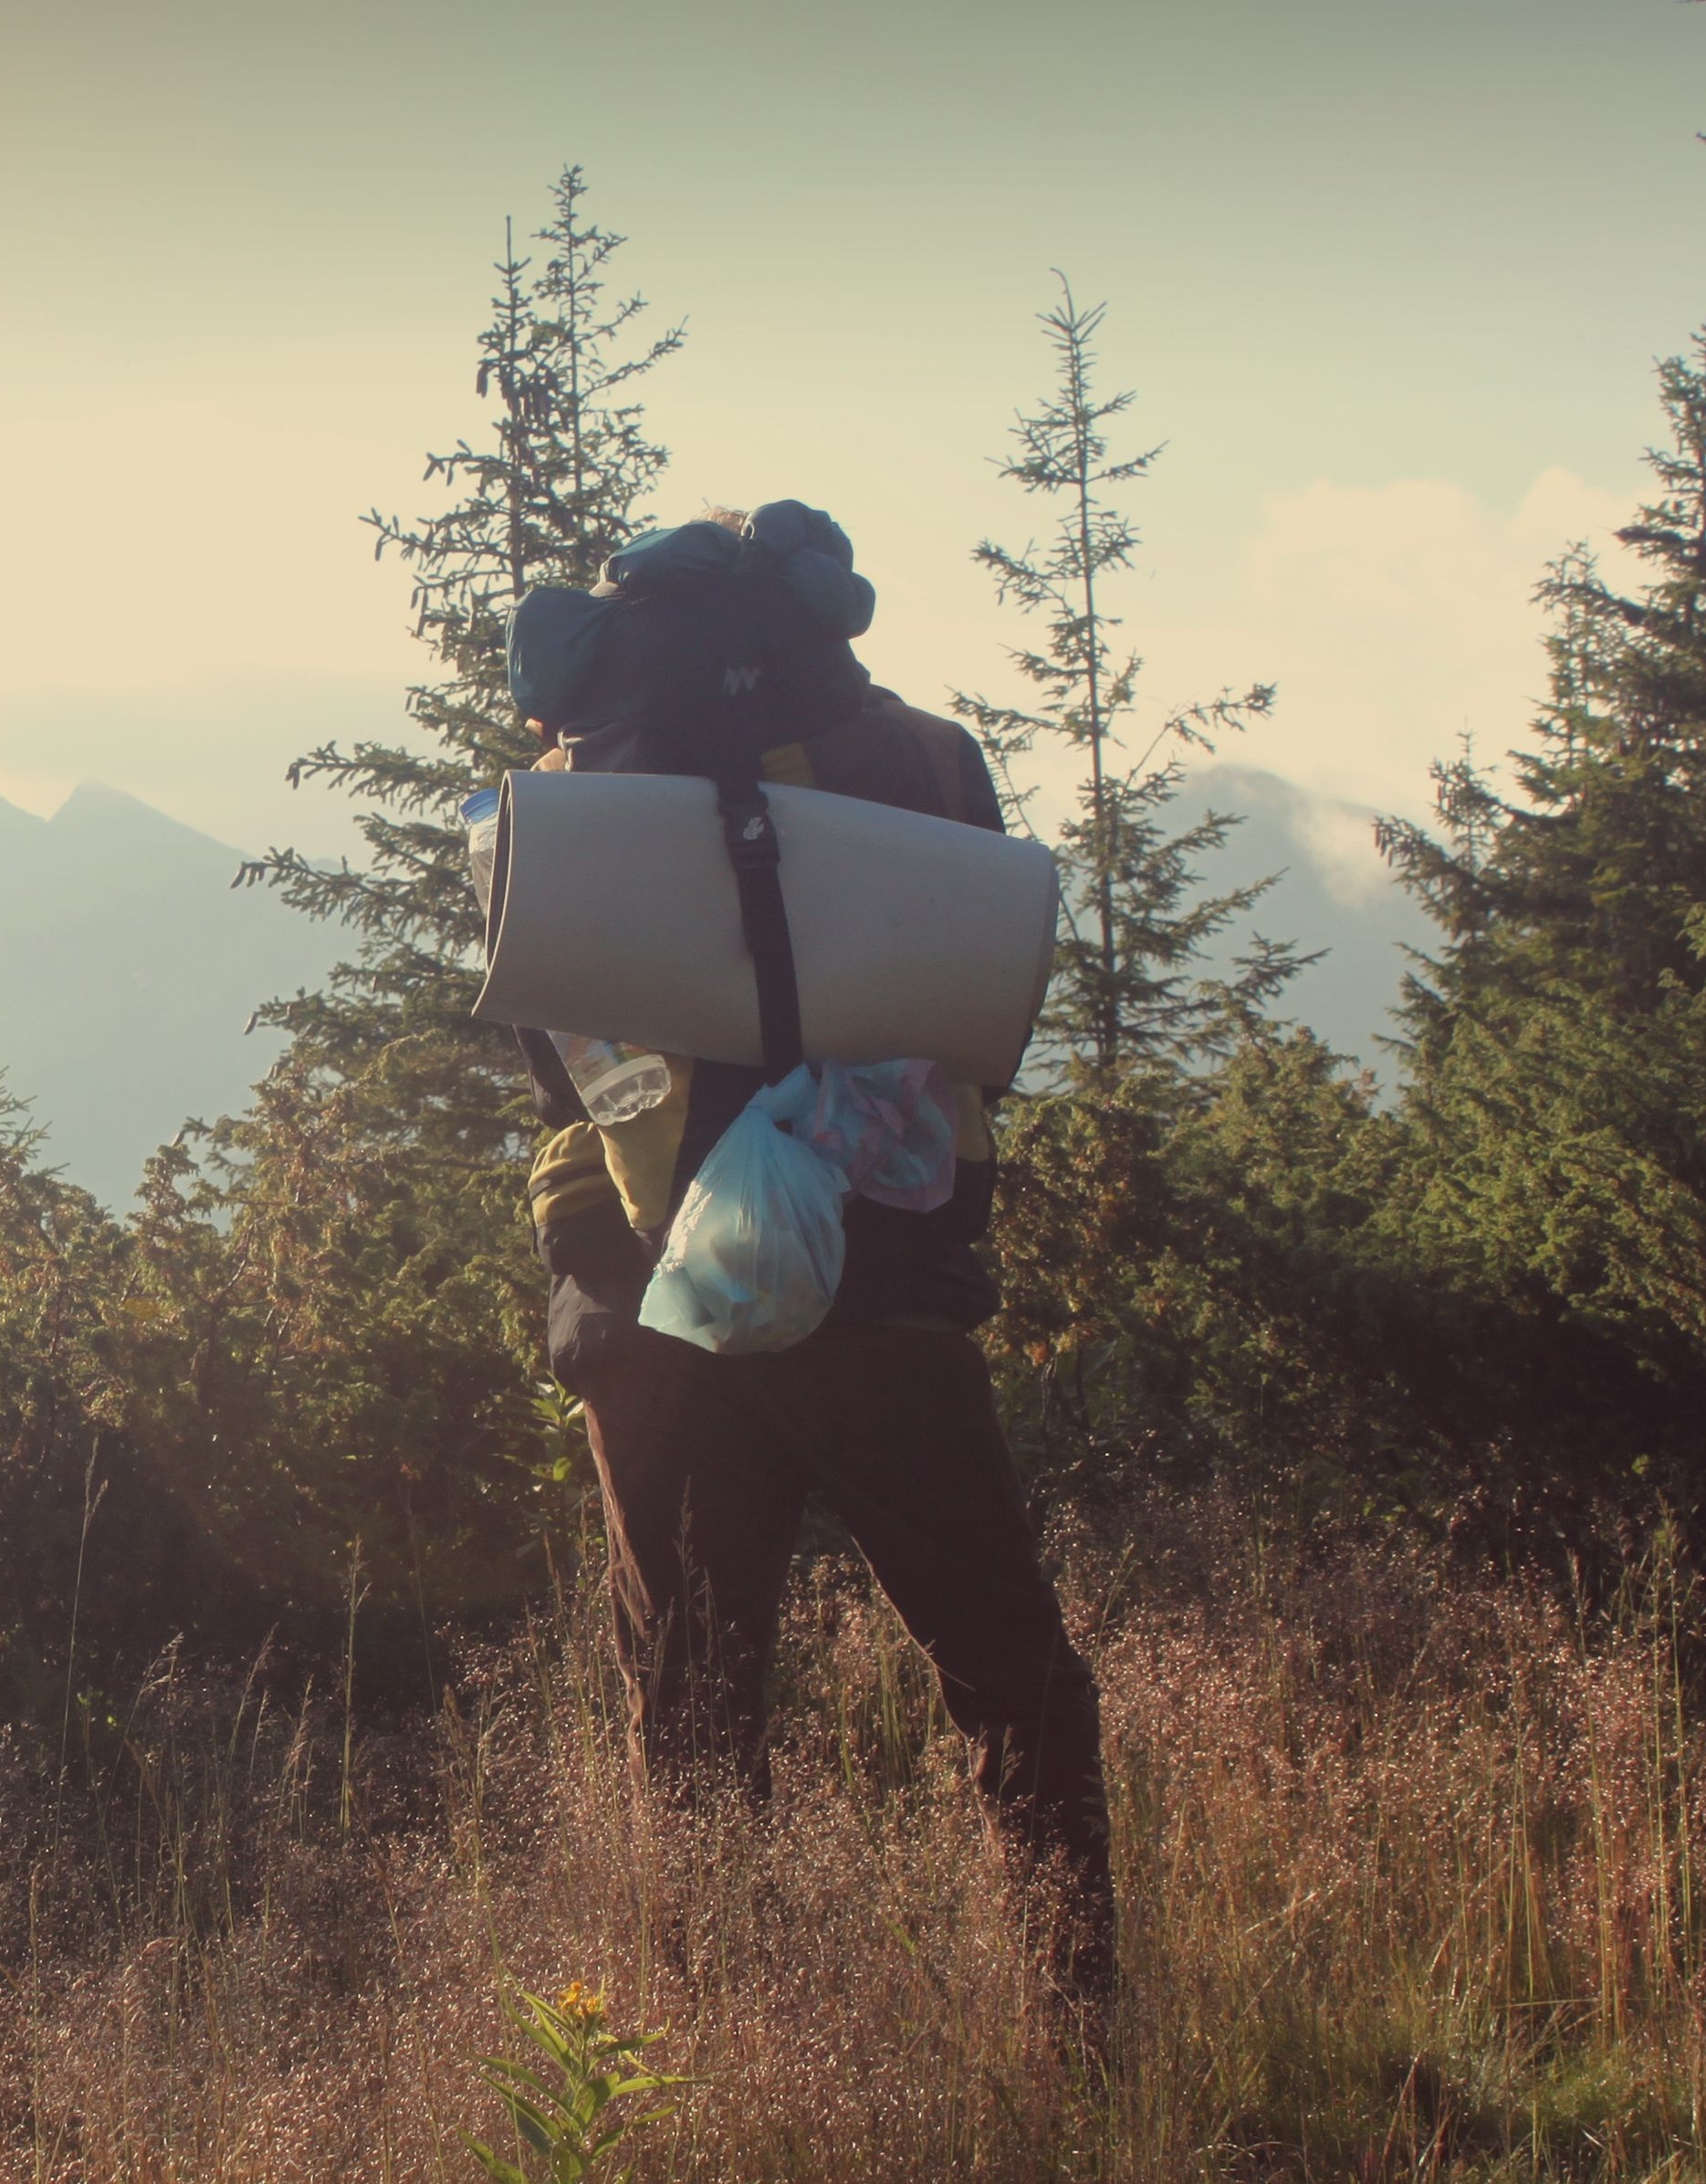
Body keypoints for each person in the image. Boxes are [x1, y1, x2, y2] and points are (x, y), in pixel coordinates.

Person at [508, 500, 1115, 2015]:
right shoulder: (920, 762)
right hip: (881, 1290)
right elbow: (996, 1011)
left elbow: (551, 1061)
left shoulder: (569, 803)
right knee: (1010, 1676)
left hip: (653, 1310)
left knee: (695, 1711)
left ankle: (719, 2059)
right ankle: (1085, 2026)